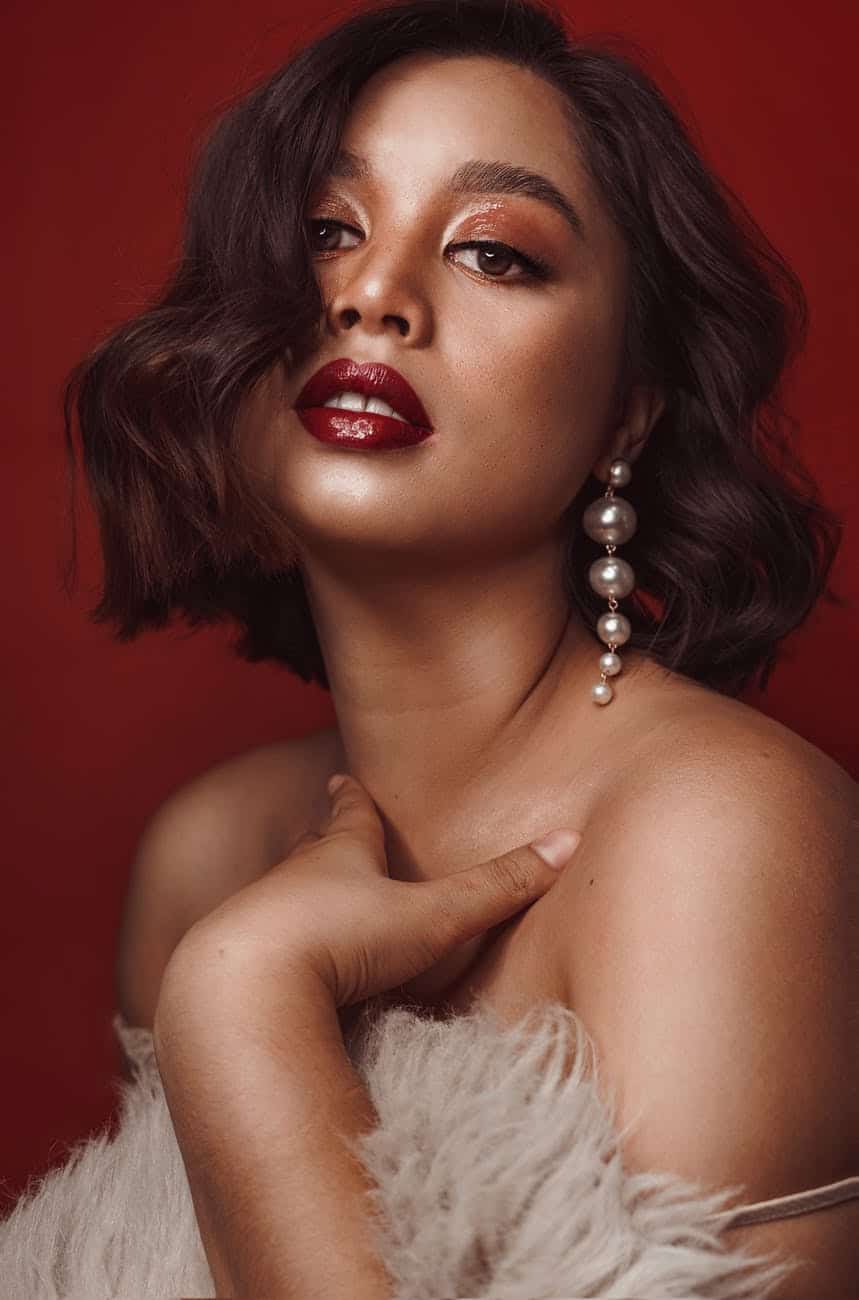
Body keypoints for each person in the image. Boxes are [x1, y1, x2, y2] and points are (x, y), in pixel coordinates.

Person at [8, 0, 856, 1295]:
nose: (374, 296)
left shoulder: (719, 843)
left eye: (495, 253)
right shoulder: (206, 857)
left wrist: (246, 1012)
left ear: (629, 406)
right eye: (327, 233)